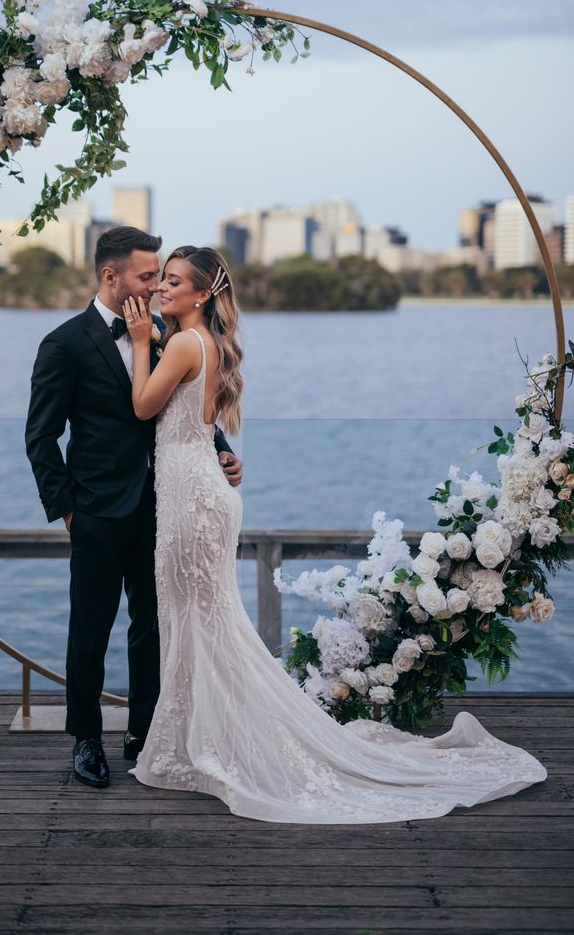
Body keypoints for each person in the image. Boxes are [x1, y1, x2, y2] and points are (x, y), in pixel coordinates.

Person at [121, 244, 548, 824]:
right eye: (161, 279)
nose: (162, 288)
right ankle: (201, 743)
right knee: (203, 619)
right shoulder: (208, 345)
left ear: (201, 295)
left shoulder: (183, 343)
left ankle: (206, 747)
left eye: (174, 281)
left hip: (193, 501)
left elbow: (144, 407)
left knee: (199, 618)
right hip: (196, 493)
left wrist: (142, 339)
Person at [24, 227, 242, 789]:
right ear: (110, 276)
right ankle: (87, 739)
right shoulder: (64, 343)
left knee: (154, 625)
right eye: (147, 276)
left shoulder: (170, 335)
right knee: (90, 626)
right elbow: (40, 437)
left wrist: (222, 452)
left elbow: (189, 409)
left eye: (161, 277)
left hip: (165, 506)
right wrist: (67, 507)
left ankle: (146, 732)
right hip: (96, 508)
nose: (154, 285)